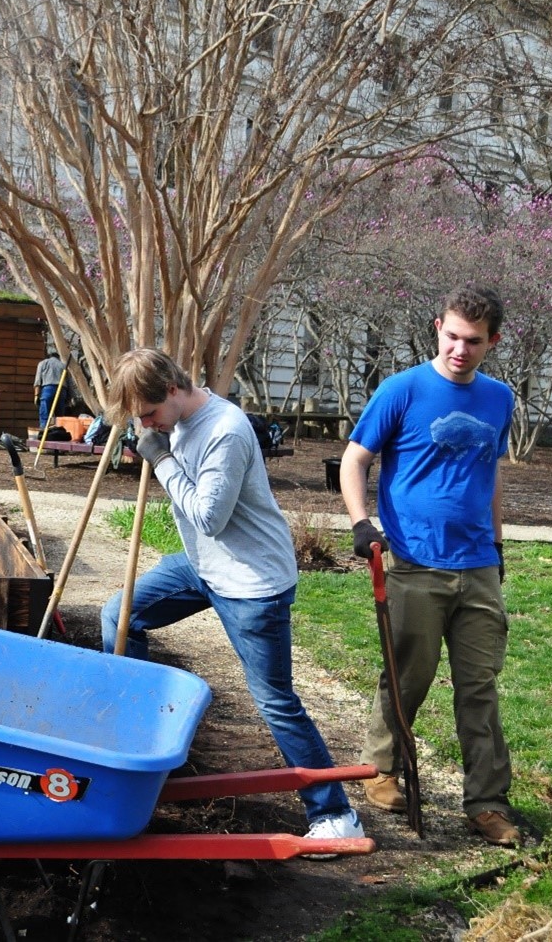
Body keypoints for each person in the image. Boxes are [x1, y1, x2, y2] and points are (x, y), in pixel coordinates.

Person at [101, 348, 363, 854]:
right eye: (140, 418)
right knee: (119, 615)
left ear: (175, 391)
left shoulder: (227, 430)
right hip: (205, 567)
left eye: (150, 414)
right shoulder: (171, 415)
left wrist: (160, 460)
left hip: (251, 581)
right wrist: (147, 434)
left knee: (275, 702)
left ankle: (335, 814)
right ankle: (141, 741)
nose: (147, 425)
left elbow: (208, 517)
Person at [338, 283, 519, 847]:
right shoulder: (403, 389)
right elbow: (356, 458)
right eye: (453, 336)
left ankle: (486, 801)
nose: (460, 349)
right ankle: (381, 770)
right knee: (406, 676)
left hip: (479, 564)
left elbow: (488, 474)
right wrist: (362, 523)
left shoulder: (499, 398)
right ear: (438, 326)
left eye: (473, 341)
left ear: (492, 341)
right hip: (415, 563)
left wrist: (497, 542)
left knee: (479, 688)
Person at [33, 351, 67, 428]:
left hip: (48, 389)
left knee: (44, 413)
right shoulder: (63, 365)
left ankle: (44, 430)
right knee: (60, 417)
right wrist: (70, 397)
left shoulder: (43, 363)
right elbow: (69, 383)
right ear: (58, 357)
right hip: (62, 390)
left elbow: (37, 381)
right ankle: (59, 432)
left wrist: (36, 395)